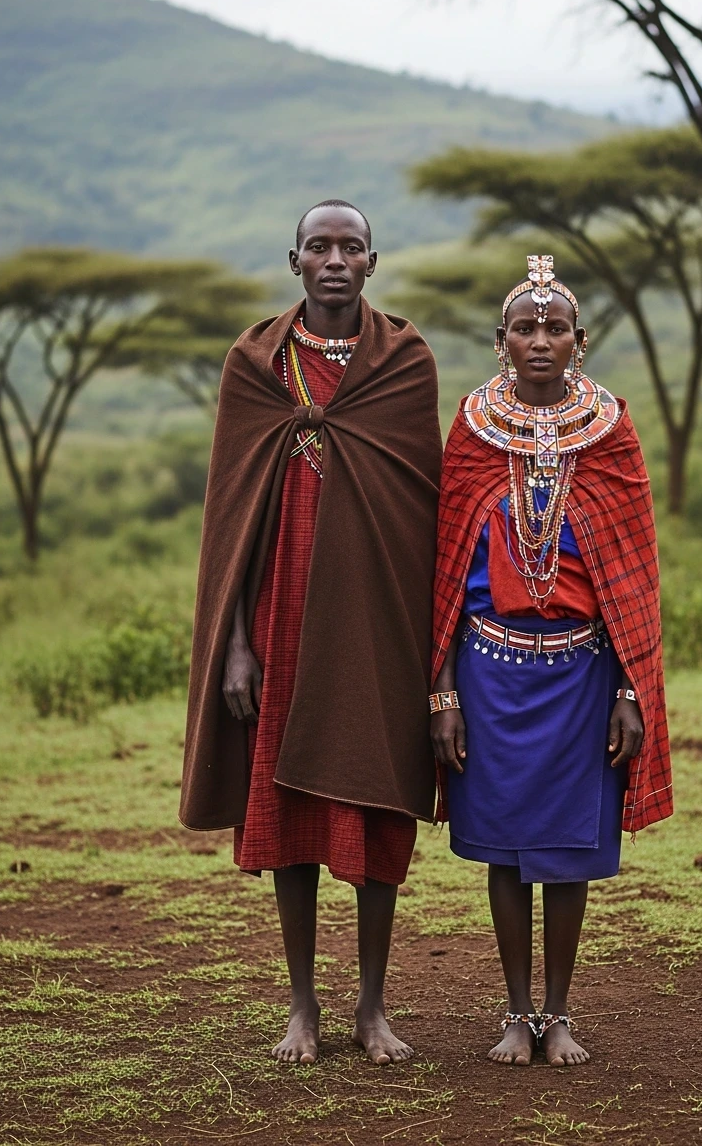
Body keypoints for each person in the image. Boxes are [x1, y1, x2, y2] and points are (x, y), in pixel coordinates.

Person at [180, 200, 441, 1066]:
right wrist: (238, 643)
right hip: (280, 619)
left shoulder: (404, 363)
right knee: (286, 808)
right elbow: (233, 522)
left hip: (373, 627)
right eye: (319, 246)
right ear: (294, 260)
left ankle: (372, 1007)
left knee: (372, 803)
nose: (335, 259)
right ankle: (304, 1006)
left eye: (351, 247)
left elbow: (418, 511)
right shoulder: (255, 365)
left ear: (374, 261)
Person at [429, 255, 672, 1067]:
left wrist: (631, 689)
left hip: (585, 675)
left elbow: (634, 575)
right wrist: (444, 694)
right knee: (503, 847)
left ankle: (558, 1015)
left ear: (580, 339)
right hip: (489, 672)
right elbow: (446, 574)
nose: (541, 340)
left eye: (555, 327)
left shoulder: (611, 428)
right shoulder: (471, 428)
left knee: (567, 850)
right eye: (525, 328)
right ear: (501, 341)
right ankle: (514, 1012)